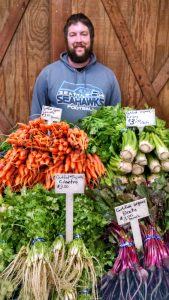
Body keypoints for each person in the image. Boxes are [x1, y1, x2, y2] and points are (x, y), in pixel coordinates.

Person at [30, 13, 121, 123]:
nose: (78, 40)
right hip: (56, 140)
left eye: (83, 34)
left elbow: (115, 121)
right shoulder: (47, 74)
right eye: (73, 35)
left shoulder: (108, 77)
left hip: (96, 141)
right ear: (66, 39)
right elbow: (35, 117)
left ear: (91, 38)